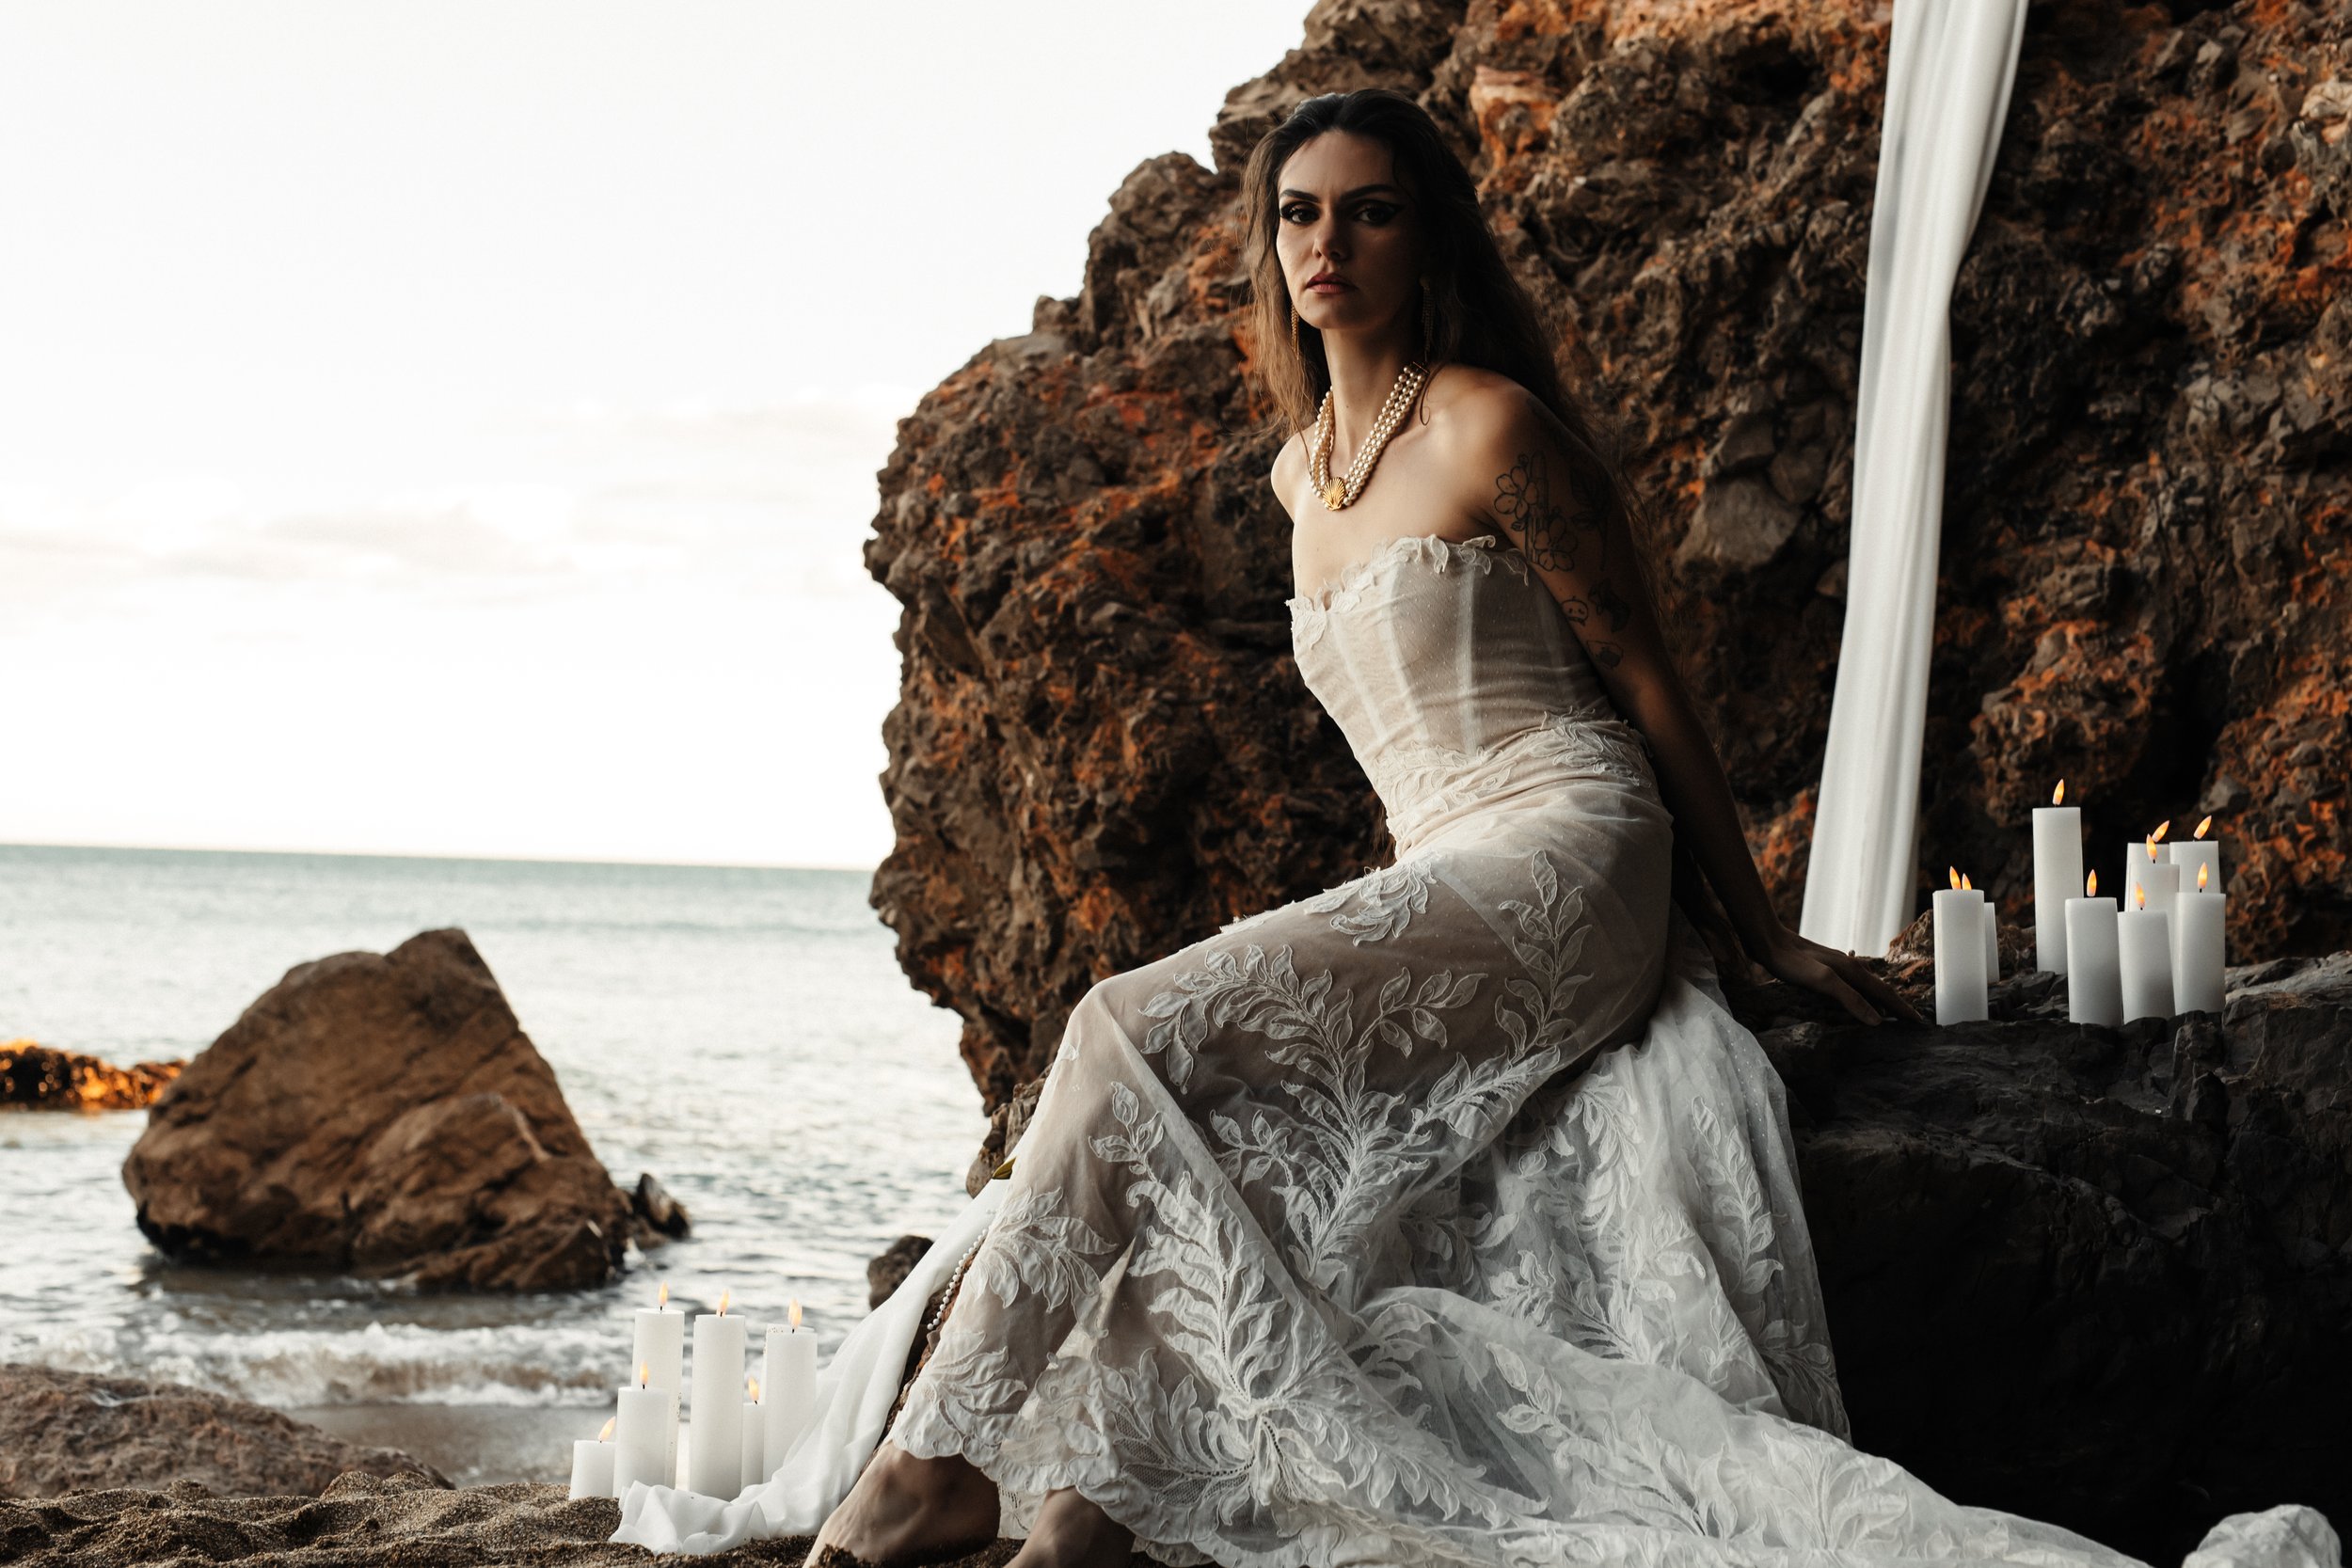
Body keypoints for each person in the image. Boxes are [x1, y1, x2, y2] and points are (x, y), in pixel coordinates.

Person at [612, 89, 2335, 1568]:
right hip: (1441, 858)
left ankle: (935, 1467)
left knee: (1126, 1026)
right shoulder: (1298, 476)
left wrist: (1753, 933)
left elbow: (1646, 679)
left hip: (1574, 839)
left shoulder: (1489, 422)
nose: (1327, 242)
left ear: (1425, 236)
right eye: (1299, 213)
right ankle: (1095, 1497)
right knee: (1224, 1142)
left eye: (1367, 211)